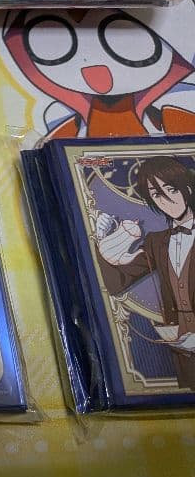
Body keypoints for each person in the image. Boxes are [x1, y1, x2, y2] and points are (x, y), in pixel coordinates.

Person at [96, 156, 195, 388]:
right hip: (181, 344)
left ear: (188, 189)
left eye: (171, 189)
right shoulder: (156, 242)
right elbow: (117, 282)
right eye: (156, 194)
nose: (166, 200)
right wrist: (99, 239)